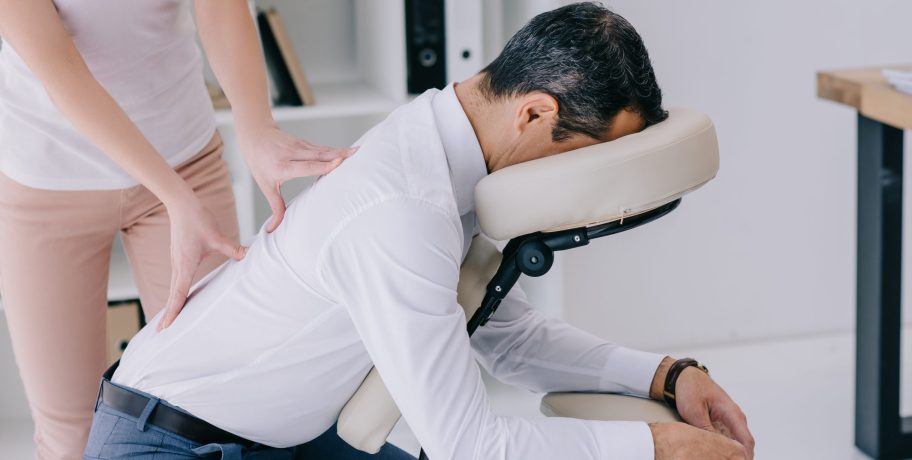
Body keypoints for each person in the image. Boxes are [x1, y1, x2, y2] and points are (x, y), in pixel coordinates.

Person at [86, 3, 755, 460]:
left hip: (274, 433)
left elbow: (505, 333)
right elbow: (470, 447)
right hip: (171, 441)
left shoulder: (447, 152)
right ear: (534, 113)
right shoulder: (402, 210)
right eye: (587, 155)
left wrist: (667, 377)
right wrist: (656, 446)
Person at [0, 1, 351, 458]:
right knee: (71, 436)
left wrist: (256, 127)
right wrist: (175, 195)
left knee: (219, 403)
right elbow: (61, 70)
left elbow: (221, 11)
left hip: (186, 158)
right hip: (48, 187)